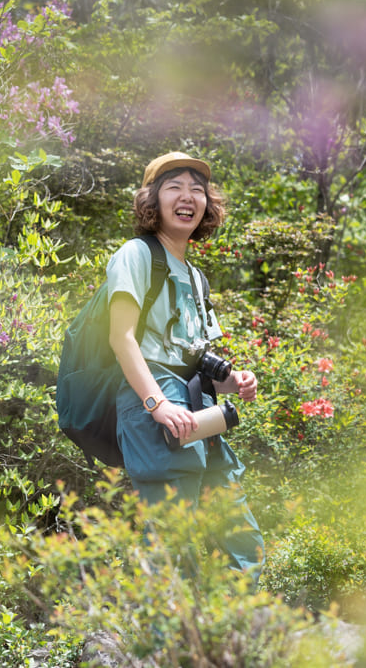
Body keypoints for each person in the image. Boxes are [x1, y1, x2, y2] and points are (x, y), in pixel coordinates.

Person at [106, 152, 264, 578]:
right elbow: (121, 338)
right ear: (152, 201)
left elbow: (191, 356)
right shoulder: (135, 255)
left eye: (197, 189)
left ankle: (238, 635)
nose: (188, 196)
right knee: (171, 535)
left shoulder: (196, 276)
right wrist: (158, 404)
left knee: (238, 528)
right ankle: (161, 640)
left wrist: (236, 382)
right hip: (155, 399)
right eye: (174, 186)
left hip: (195, 403)